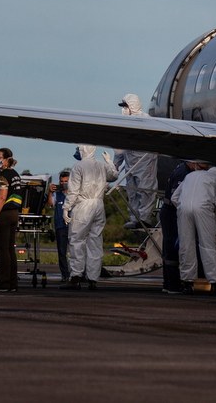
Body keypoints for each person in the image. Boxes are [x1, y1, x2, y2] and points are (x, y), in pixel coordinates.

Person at [60, 145, 118, 291]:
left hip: (83, 205)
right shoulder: (101, 165)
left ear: (83, 149)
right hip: (99, 204)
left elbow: (73, 191)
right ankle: (93, 279)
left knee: (77, 240)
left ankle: (76, 277)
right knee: (95, 242)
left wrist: (66, 207)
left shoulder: (78, 166)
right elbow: (113, 176)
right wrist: (109, 162)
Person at [171, 160, 216, 295]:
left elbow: (175, 197)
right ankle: (215, 282)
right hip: (203, 209)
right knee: (207, 245)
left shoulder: (189, 176)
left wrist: (182, 207)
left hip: (183, 208)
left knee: (186, 245)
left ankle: (187, 282)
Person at [114, 94, 160, 229]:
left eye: (125, 107)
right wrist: (116, 163)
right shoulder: (125, 123)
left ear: (132, 106)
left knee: (145, 190)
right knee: (131, 192)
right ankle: (134, 218)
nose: (123, 110)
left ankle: (144, 218)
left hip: (145, 162)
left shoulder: (147, 121)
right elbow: (120, 146)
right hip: (130, 163)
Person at [0, 148, 24, 292]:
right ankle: (12, 283)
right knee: (10, 249)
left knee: (3, 250)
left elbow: (2, 197)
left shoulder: (3, 176)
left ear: (7, 159)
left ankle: (3, 283)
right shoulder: (15, 175)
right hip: (14, 213)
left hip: (5, 214)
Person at [160, 159, 196, 294]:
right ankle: (173, 284)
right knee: (173, 247)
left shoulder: (181, 168)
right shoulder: (184, 173)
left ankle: (168, 283)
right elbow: (177, 198)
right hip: (172, 212)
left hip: (169, 210)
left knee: (169, 246)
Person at [47, 170, 72, 282]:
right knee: (62, 252)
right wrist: (50, 192)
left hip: (74, 226)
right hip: (60, 226)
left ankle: (78, 273)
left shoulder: (74, 193)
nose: (63, 183)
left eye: (66, 181)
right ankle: (65, 275)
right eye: (61, 181)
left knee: (76, 251)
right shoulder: (57, 193)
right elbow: (51, 204)